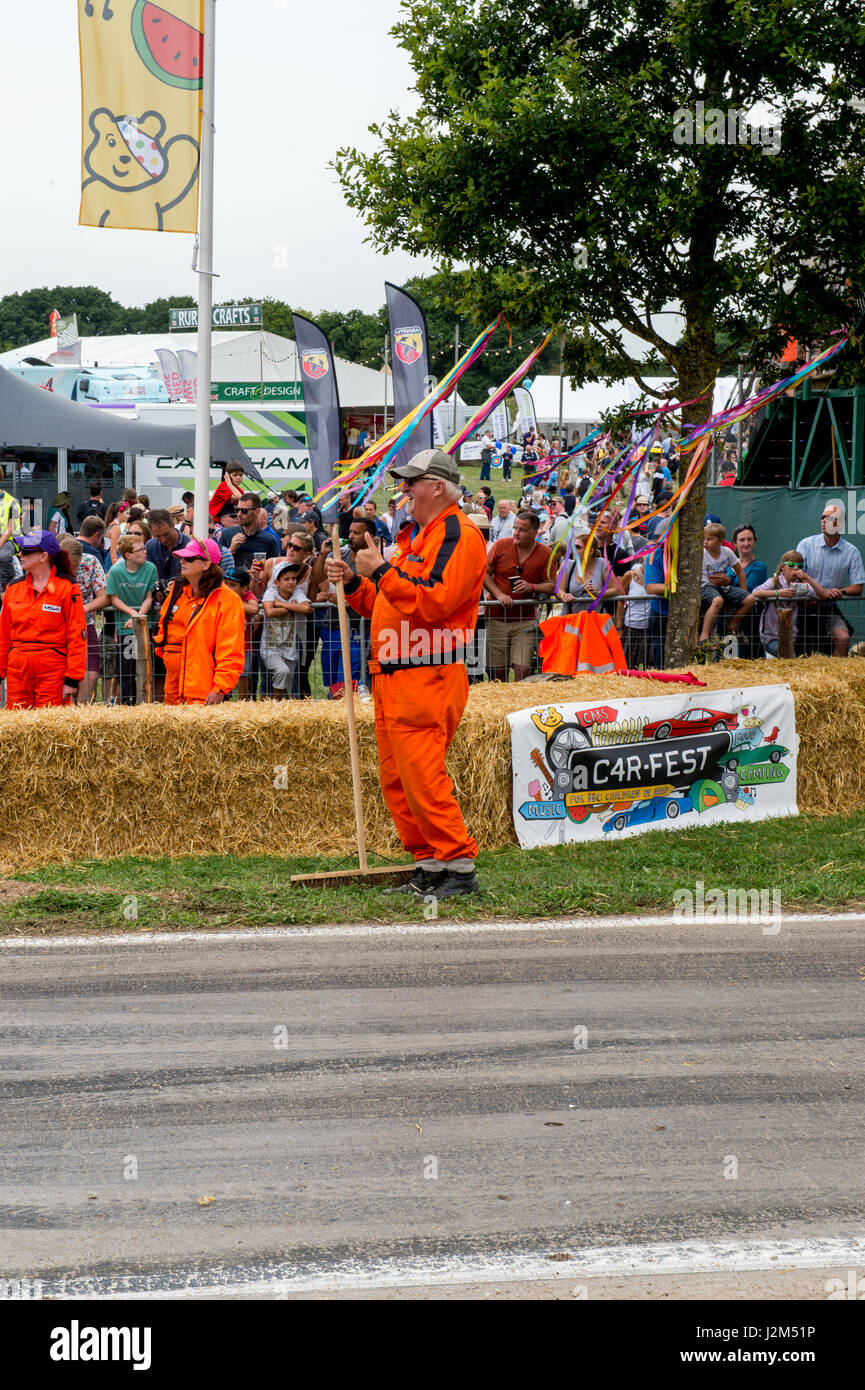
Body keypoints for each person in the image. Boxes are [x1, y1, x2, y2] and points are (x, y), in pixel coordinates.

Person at [325, 448, 487, 899]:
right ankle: (430, 864)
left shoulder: (458, 532)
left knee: (421, 773)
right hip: (396, 674)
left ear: (437, 486)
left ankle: (458, 867)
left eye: (412, 482)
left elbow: (434, 601)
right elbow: (388, 601)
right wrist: (357, 583)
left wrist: (379, 569)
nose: (405, 490)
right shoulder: (420, 536)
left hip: (426, 672)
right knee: (399, 778)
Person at [153, 537, 245, 705]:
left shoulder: (228, 600)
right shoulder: (177, 590)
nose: (182, 561)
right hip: (172, 688)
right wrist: (166, 653)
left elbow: (231, 649)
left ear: (206, 564)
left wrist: (220, 688)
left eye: (189, 558)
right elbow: (163, 626)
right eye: (182, 557)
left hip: (204, 691)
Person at [0, 530, 87, 707]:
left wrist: (72, 678)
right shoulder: (14, 588)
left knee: (51, 728)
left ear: (43, 556)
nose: (20, 554)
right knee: (18, 726)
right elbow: (3, 635)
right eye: (20, 549)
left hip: (53, 668)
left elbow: (77, 634)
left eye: (26, 551)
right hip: (18, 669)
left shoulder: (68, 587)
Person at [484, 510, 558, 682]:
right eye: (515, 528)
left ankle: (519, 703)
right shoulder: (501, 545)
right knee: (498, 672)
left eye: (522, 529)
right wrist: (499, 594)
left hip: (525, 620)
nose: (516, 532)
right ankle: (501, 706)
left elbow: (553, 586)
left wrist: (532, 586)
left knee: (522, 669)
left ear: (535, 532)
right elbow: (484, 574)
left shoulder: (546, 553)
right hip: (496, 617)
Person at [796, 502, 865, 656]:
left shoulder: (851, 552)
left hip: (829, 608)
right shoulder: (806, 545)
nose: (824, 521)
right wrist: (813, 593)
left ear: (840, 524)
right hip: (802, 607)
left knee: (843, 638)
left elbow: (858, 587)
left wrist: (835, 592)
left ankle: (836, 678)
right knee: (803, 648)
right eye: (823, 517)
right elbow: (796, 576)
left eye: (830, 518)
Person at [106, 534, 159, 704]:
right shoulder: (116, 571)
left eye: (144, 548)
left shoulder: (151, 568)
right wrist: (132, 613)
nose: (145, 552)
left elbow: (149, 597)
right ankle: (127, 703)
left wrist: (139, 617)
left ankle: (145, 702)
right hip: (124, 625)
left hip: (145, 623)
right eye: (140, 550)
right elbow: (114, 598)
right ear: (128, 555)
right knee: (126, 668)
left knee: (145, 664)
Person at [59, 534, 108, 703]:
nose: (70, 570)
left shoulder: (91, 561)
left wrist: (82, 609)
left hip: (85, 625)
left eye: (73, 565)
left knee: (91, 676)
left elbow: (104, 597)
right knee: (63, 678)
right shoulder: (52, 562)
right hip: (59, 628)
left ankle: (83, 716)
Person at [751, 551, 829, 656]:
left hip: (792, 637)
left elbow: (823, 595)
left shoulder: (800, 585)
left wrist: (807, 578)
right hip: (772, 638)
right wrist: (778, 593)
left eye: (799, 565)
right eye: (792, 565)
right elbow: (755, 592)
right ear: (782, 567)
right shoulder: (774, 582)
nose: (796, 568)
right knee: (790, 657)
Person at [698, 523, 756, 647]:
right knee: (718, 600)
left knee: (750, 598)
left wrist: (743, 590)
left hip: (722, 587)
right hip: (706, 586)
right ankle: (704, 635)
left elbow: (740, 571)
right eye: (704, 538)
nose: (705, 542)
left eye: (709, 539)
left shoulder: (727, 552)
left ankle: (732, 625)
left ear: (720, 541)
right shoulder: (702, 554)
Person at [260, 563, 312, 699]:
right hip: (270, 647)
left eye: (294, 578)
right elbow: (270, 611)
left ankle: (283, 710)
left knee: (288, 684)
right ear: (277, 582)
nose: (291, 582)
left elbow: (306, 609)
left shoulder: (298, 592)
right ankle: (277, 705)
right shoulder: (271, 592)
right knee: (282, 671)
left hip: (289, 648)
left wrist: (281, 604)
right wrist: (293, 607)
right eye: (287, 579)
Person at [561, 529, 625, 612]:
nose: (574, 550)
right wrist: (564, 595)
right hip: (572, 620)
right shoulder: (567, 565)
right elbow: (558, 590)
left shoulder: (602, 564)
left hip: (596, 620)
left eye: (578, 547)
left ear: (591, 551)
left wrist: (598, 593)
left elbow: (616, 589)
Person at [220, 492, 281, 577]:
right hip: (230, 587)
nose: (239, 514)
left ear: (257, 511)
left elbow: (273, 572)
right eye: (237, 510)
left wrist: (258, 574)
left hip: (255, 587)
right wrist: (231, 550)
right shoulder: (227, 534)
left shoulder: (269, 540)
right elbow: (216, 566)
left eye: (244, 511)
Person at [224, 568, 260, 700]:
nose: (227, 588)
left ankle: (242, 703)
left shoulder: (247, 596)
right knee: (224, 674)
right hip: (224, 645)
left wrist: (232, 601)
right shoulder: (220, 595)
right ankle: (223, 700)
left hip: (244, 646)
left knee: (245, 675)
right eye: (226, 584)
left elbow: (254, 608)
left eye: (232, 585)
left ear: (244, 589)